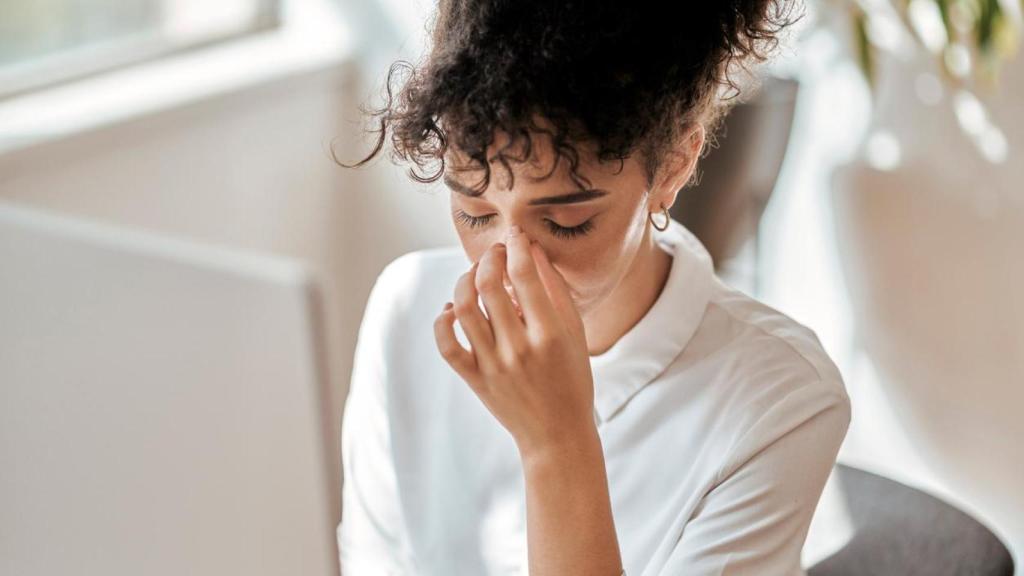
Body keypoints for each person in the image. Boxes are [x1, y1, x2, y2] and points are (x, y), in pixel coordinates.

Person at [335, 1, 851, 574]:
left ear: (674, 166)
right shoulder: (406, 309)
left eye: (566, 223)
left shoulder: (782, 400)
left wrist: (556, 444)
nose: (506, 270)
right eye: (474, 212)